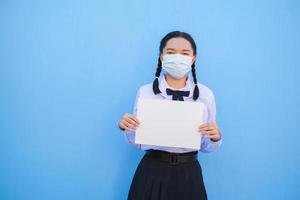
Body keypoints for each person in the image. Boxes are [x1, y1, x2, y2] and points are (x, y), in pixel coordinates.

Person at [118, 31, 222, 200]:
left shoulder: (205, 94)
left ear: (193, 58)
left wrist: (215, 137)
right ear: (161, 56)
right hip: (152, 170)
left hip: (189, 172)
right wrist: (126, 127)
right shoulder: (145, 92)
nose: (177, 57)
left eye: (185, 53)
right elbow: (138, 142)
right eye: (171, 52)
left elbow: (206, 146)